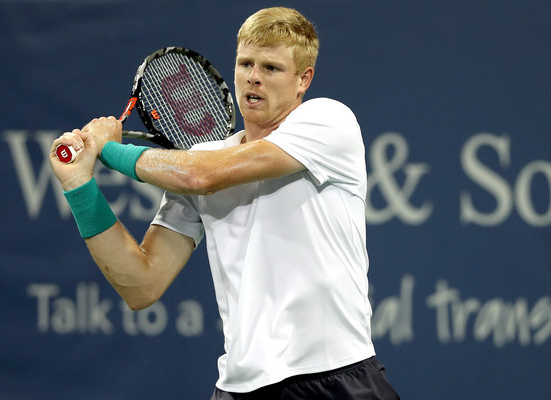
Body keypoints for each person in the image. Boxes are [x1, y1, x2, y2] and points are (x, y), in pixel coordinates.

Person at [50, 6, 400, 400]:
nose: (253, 77)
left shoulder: (329, 121)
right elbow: (142, 286)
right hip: (238, 388)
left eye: (271, 68)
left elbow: (200, 176)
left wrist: (110, 150)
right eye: (246, 63)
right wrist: (79, 186)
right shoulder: (202, 157)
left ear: (304, 79)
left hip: (335, 378)